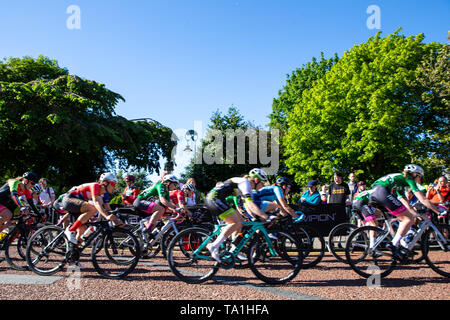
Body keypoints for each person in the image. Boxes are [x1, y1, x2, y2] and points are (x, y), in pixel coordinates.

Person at [369, 164, 441, 260]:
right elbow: (422, 199)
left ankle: (389, 243)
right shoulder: (409, 178)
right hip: (382, 191)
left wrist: (413, 213)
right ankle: (393, 245)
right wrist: (438, 211)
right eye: (420, 177)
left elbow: (405, 203)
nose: (419, 180)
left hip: (374, 192)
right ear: (415, 174)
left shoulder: (400, 181)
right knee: (407, 219)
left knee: (404, 217)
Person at [204, 168, 271, 262]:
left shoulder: (248, 189)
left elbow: (248, 205)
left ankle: (233, 250)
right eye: (262, 183)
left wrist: (254, 217)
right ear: (256, 180)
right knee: (235, 222)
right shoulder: (245, 183)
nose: (263, 186)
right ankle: (214, 246)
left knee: (241, 221)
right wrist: (266, 216)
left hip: (218, 200)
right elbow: (251, 204)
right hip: (214, 199)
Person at [62, 172, 122, 244]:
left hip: (77, 205)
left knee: (82, 232)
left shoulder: (104, 194)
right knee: (92, 209)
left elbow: (107, 209)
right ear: (105, 183)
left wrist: (117, 222)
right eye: (113, 184)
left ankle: (73, 251)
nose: (114, 187)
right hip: (69, 199)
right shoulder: (95, 186)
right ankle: (70, 230)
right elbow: (96, 203)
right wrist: (106, 216)